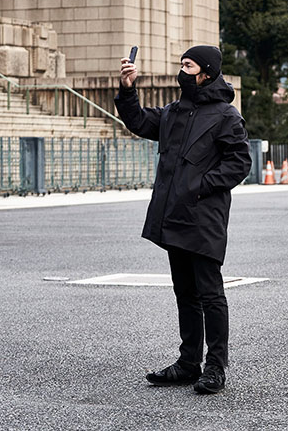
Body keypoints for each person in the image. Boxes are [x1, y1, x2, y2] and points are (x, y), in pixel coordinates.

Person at [114, 45, 252, 394]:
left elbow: (239, 162)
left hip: (204, 216)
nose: (182, 70)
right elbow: (140, 122)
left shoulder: (226, 115)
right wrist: (128, 90)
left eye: (187, 65)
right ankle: (189, 363)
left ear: (205, 71)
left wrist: (200, 187)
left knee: (210, 293)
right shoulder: (175, 111)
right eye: (181, 65)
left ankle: (215, 367)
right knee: (185, 292)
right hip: (175, 216)